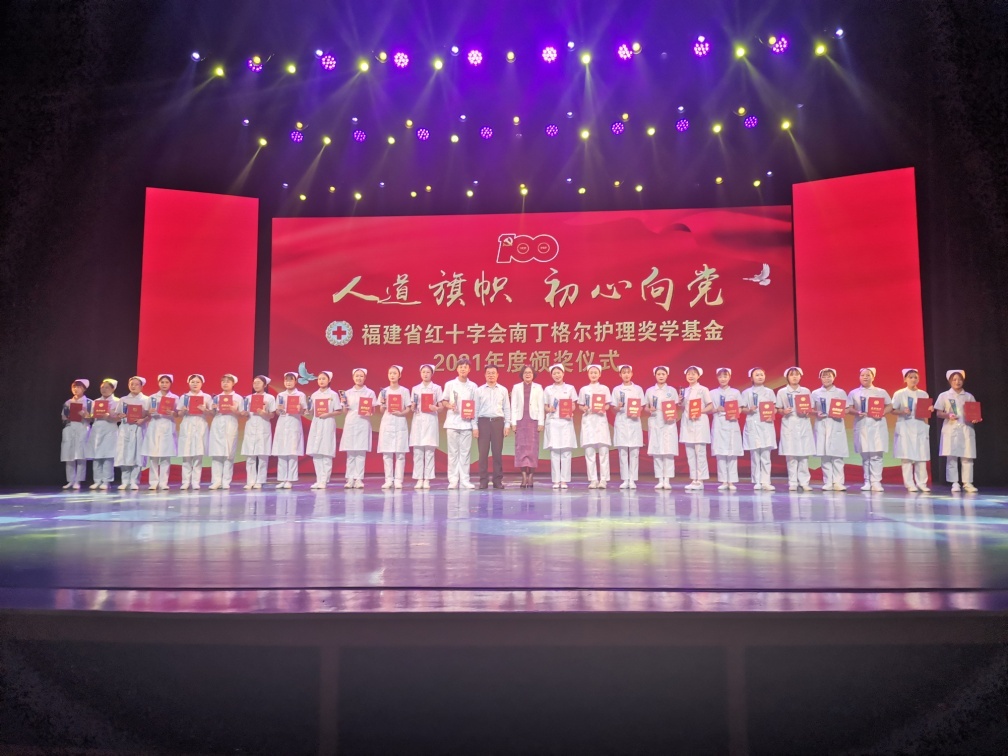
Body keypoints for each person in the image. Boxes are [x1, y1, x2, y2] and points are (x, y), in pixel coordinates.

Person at [847, 367, 891, 492]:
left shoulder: (881, 391)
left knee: (877, 455)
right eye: (862, 375)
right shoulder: (854, 392)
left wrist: (882, 412)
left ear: (873, 377)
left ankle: (876, 482)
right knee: (865, 455)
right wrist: (857, 412)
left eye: (868, 375)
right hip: (862, 424)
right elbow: (848, 408)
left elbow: (889, 405)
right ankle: (867, 481)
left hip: (877, 425)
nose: (865, 377)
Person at [936, 369, 980, 493]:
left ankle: (967, 483)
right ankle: (954, 483)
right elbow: (939, 413)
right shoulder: (944, 395)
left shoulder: (969, 396)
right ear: (950, 381)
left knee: (967, 456)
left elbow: (975, 412)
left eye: (959, 379)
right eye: (954, 379)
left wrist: (976, 418)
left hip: (966, 428)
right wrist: (948, 415)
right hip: (951, 428)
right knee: (952, 457)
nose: (957, 382)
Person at [892, 368, 932, 492]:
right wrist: (902, 411)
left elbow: (925, 411)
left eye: (915, 377)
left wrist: (929, 409)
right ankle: (909, 484)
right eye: (910, 377)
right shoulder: (899, 394)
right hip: (905, 426)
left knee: (921, 456)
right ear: (905, 379)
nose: (913, 379)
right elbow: (892, 410)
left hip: (920, 425)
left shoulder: (923, 394)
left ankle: (922, 483)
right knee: (906, 457)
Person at [441, 358, 479, 489]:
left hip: (467, 424)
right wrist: (449, 405)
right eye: (461, 367)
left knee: (465, 453)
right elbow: (444, 401)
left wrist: (474, 425)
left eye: (465, 367)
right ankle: (453, 480)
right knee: (453, 453)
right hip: (452, 422)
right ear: (457, 369)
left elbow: (475, 406)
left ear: (469, 369)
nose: (463, 369)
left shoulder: (473, 386)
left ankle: (464, 480)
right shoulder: (450, 384)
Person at [776, 366, 815, 491]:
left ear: (800, 376)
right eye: (791, 374)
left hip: (803, 422)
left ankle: (804, 482)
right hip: (789, 423)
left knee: (804, 455)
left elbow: (811, 407)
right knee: (791, 456)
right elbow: (778, 408)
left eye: (797, 374)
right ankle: (792, 482)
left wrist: (807, 411)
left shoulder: (806, 391)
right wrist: (783, 411)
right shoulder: (782, 392)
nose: (794, 377)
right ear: (787, 377)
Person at [810, 368, 849, 491]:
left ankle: (838, 482)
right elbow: (810, 409)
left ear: (834, 377)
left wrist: (840, 413)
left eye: (829, 376)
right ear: (820, 378)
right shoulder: (815, 393)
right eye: (824, 376)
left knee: (837, 456)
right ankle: (827, 481)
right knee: (825, 455)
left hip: (836, 424)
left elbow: (847, 408)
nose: (826, 379)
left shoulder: (840, 392)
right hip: (821, 424)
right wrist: (816, 413)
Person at [475, 364, 511, 489]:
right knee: (483, 454)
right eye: (488, 373)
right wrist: (474, 426)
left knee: (497, 453)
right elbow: (475, 409)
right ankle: (483, 481)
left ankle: (497, 481)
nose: (491, 375)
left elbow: (507, 408)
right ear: (485, 375)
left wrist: (507, 424)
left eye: (493, 373)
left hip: (498, 422)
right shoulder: (479, 390)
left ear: (497, 375)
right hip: (483, 422)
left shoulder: (503, 390)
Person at [542, 363, 578, 489]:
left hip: (566, 422)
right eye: (554, 373)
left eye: (559, 373)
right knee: (555, 452)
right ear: (551, 375)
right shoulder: (548, 389)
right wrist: (549, 409)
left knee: (566, 452)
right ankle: (556, 480)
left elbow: (573, 404)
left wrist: (571, 410)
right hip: (553, 422)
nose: (557, 375)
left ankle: (564, 480)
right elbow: (545, 406)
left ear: (563, 373)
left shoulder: (570, 388)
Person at [679, 365, 714, 491]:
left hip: (699, 423)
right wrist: (680, 401)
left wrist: (700, 412)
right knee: (690, 453)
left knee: (700, 453)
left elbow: (710, 406)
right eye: (689, 374)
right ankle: (694, 479)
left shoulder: (703, 389)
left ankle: (701, 480)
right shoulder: (684, 391)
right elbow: (683, 408)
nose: (691, 376)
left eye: (693, 374)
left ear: (698, 376)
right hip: (688, 423)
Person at [741, 368, 777, 491]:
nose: (760, 376)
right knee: (755, 455)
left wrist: (771, 414)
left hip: (766, 424)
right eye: (757, 375)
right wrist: (749, 410)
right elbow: (742, 409)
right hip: (753, 423)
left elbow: (775, 407)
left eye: (762, 374)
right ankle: (756, 481)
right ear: (751, 378)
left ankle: (766, 481)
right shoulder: (746, 392)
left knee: (766, 455)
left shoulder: (769, 392)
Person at [339, 368, 376, 488]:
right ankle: (350, 478)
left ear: (365, 378)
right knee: (350, 453)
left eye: (361, 376)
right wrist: (344, 403)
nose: (359, 378)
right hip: (350, 422)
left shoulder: (370, 392)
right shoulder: (347, 393)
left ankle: (359, 479)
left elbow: (373, 410)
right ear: (353, 377)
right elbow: (344, 411)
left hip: (363, 423)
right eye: (357, 376)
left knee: (360, 452)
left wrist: (369, 412)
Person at [578, 363, 613, 489]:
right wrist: (584, 408)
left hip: (600, 420)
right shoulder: (583, 389)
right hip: (588, 421)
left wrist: (603, 408)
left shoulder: (604, 388)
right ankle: (593, 479)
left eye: (595, 373)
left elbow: (608, 405)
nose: (593, 375)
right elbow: (580, 405)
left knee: (603, 452)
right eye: (591, 373)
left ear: (600, 374)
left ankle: (603, 480)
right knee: (589, 452)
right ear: (588, 374)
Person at [643, 366, 679, 490]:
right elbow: (645, 407)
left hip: (668, 421)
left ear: (667, 375)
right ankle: (659, 479)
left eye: (663, 374)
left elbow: (675, 406)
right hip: (655, 420)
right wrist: (650, 409)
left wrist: (671, 415)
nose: (661, 376)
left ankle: (667, 480)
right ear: (655, 375)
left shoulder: (672, 390)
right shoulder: (650, 391)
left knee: (668, 451)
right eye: (659, 374)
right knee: (657, 450)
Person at [377, 365, 412, 489]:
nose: (392, 375)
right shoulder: (384, 391)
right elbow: (381, 410)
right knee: (387, 453)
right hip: (387, 422)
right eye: (390, 373)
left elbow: (408, 408)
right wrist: (383, 404)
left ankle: (398, 480)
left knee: (400, 454)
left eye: (395, 373)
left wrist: (401, 413)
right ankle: (388, 479)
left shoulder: (404, 391)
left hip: (400, 421)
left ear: (399, 375)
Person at [611, 364, 645, 490]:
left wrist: (637, 411)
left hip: (634, 422)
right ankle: (625, 479)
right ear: (620, 375)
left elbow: (642, 406)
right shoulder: (616, 390)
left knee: (634, 452)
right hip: (621, 422)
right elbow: (613, 409)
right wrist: (618, 407)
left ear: (632, 374)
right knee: (623, 452)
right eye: (623, 372)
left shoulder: (638, 389)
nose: (626, 374)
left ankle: (633, 479)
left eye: (628, 372)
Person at [142, 373, 178, 491]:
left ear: (170, 384)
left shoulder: (175, 398)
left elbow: (178, 414)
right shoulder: (152, 397)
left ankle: (163, 482)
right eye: (162, 382)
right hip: (154, 426)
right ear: (158, 383)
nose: (164, 384)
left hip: (167, 425)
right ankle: (153, 482)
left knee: (165, 457)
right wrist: (149, 412)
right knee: (153, 456)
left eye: (166, 382)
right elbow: (146, 413)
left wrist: (173, 413)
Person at [306, 370, 342, 489]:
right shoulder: (314, 395)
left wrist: (328, 414)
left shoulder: (333, 395)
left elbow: (338, 411)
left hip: (328, 422)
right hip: (316, 423)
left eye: (324, 379)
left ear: (329, 380)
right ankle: (318, 479)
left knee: (326, 452)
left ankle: (324, 480)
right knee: (316, 452)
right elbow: (311, 412)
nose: (321, 381)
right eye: (319, 379)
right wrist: (308, 410)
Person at [510, 364, 544, 488]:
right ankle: (524, 476)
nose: (528, 374)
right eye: (525, 373)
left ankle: (531, 476)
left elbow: (541, 405)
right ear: (522, 375)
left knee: (532, 449)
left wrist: (541, 422)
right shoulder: (516, 387)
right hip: (521, 421)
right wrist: (513, 422)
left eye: (530, 372)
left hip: (533, 421)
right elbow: (513, 405)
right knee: (521, 449)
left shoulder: (538, 387)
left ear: (533, 374)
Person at [409, 363, 443, 489]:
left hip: (431, 420)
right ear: (420, 373)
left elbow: (441, 407)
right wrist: (413, 407)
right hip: (418, 421)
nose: (425, 374)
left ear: (432, 374)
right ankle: (419, 478)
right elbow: (412, 407)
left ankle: (427, 479)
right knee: (418, 451)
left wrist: (436, 408)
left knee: (429, 451)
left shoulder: (437, 388)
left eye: (428, 372)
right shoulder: (415, 388)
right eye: (423, 372)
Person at [709, 368, 743, 491]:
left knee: (732, 453)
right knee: (720, 453)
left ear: (729, 377)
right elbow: (708, 409)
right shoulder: (712, 393)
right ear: (717, 378)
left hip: (732, 423)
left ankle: (731, 481)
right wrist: (716, 409)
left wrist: (736, 414)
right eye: (720, 377)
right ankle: (723, 481)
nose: (723, 379)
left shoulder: (735, 392)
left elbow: (740, 407)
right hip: (718, 423)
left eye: (725, 376)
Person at [241, 375, 276, 490]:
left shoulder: (270, 398)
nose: (256, 385)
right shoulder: (248, 398)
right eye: (254, 383)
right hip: (250, 427)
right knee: (250, 456)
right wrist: (245, 414)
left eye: (259, 383)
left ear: (265, 385)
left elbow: (272, 415)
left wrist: (263, 413)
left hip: (263, 427)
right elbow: (244, 413)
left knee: (262, 456)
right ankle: (250, 481)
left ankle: (260, 481)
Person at [273, 371, 306, 489]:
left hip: (294, 423)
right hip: (282, 423)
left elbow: (304, 411)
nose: (288, 382)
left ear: (295, 381)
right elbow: (277, 412)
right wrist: (280, 409)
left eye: (290, 380)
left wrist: (299, 408)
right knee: (281, 452)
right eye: (286, 380)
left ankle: (290, 479)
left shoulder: (300, 395)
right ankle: (282, 479)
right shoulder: (280, 395)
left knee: (292, 452)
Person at [208, 373, 242, 490]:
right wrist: (213, 409)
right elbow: (212, 414)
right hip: (217, 424)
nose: (225, 383)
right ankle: (216, 481)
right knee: (216, 454)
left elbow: (242, 414)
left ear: (233, 384)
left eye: (228, 381)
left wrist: (234, 410)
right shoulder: (216, 397)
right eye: (223, 381)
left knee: (229, 454)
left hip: (230, 424)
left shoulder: (238, 398)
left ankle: (226, 481)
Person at [85, 378, 120, 490]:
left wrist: (109, 416)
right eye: (102, 387)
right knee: (96, 456)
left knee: (107, 457)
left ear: (113, 389)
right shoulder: (95, 401)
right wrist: (87, 416)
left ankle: (106, 481)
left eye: (107, 387)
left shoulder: (117, 401)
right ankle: (97, 480)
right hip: (97, 429)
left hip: (110, 429)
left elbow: (119, 418)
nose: (104, 389)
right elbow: (91, 417)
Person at [178, 373, 211, 491]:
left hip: (200, 424)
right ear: (189, 383)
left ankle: (196, 482)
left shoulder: (206, 397)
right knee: (186, 455)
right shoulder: (184, 397)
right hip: (187, 424)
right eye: (193, 382)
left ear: (202, 383)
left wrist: (205, 409)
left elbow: (211, 413)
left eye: (197, 382)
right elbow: (179, 414)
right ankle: (185, 482)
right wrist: (183, 410)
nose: (195, 384)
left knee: (198, 455)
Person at [115, 376, 148, 491]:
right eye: (131, 384)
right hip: (125, 428)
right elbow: (117, 415)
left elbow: (149, 415)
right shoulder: (123, 399)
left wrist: (143, 419)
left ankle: (134, 480)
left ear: (141, 386)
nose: (133, 386)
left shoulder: (146, 399)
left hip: (138, 428)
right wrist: (120, 415)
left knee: (137, 454)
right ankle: (125, 481)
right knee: (124, 453)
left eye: (136, 384)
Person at [60, 378, 92, 490]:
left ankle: (78, 481)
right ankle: (70, 480)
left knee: (81, 456)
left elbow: (91, 418)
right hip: (70, 428)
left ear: (84, 389)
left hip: (82, 428)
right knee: (68, 456)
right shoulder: (68, 402)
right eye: (74, 387)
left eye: (78, 387)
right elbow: (63, 417)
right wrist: (67, 416)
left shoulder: (89, 402)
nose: (75, 389)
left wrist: (84, 414)